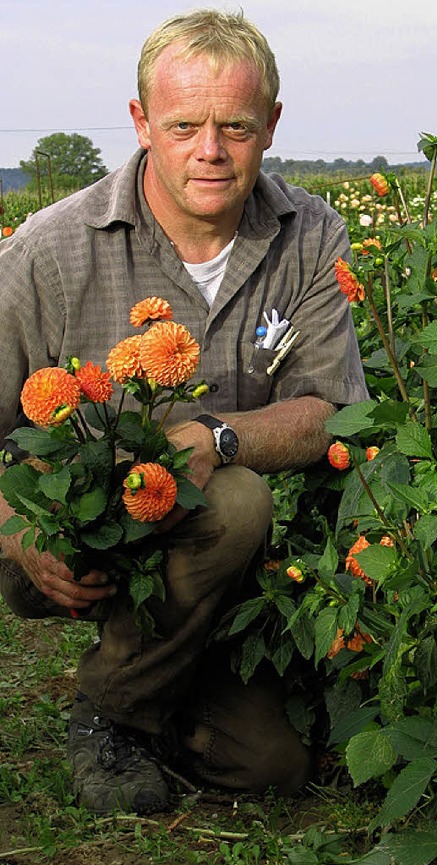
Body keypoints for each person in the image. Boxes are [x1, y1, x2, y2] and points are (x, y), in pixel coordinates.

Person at [0, 9, 367, 815]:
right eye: (184, 125)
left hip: (232, 553)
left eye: (235, 125)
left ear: (271, 124)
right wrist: (23, 534)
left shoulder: (310, 234)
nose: (211, 150)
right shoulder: (49, 251)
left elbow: (331, 410)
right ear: (140, 123)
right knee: (237, 499)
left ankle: (163, 688)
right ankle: (110, 716)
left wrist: (216, 436)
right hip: (86, 536)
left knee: (269, 768)